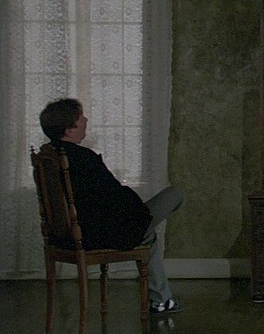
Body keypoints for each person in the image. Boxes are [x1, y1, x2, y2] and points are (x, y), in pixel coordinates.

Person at [39, 98, 184, 314]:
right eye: (80, 117)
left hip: (68, 236)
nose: (85, 119)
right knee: (174, 195)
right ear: (68, 130)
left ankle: (162, 300)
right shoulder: (84, 158)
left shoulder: (48, 157)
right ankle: (161, 301)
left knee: (147, 232)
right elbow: (116, 196)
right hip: (100, 234)